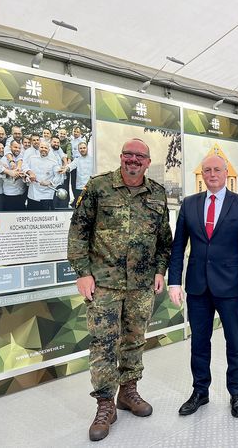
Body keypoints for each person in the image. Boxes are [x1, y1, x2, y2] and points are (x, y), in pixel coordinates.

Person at [67, 138, 172, 442]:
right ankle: (104, 405)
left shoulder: (158, 194)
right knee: (103, 344)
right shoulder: (99, 188)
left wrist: (159, 270)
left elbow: (165, 240)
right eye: (129, 154)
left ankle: (128, 392)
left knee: (135, 340)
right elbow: (78, 233)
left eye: (140, 156)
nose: (133, 159)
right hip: (104, 283)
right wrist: (83, 273)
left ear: (148, 162)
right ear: (122, 157)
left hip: (141, 285)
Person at [168, 154, 238, 419]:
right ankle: (200, 392)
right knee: (199, 343)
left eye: (217, 170)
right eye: (206, 170)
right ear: (203, 174)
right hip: (197, 288)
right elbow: (178, 247)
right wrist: (175, 280)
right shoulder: (189, 204)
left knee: (235, 342)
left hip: (231, 287)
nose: (211, 174)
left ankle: (236, 394)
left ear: (226, 172)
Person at [23, 140, 64, 211]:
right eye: (42, 147)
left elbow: (59, 176)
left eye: (45, 148)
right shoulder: (32, 159)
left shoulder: (53, 162)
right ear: (39, 148)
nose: (43, 149)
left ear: (49, 149)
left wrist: (50, 182)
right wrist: (28, 177)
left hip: (47, 195)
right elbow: (24, 168)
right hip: (33, 194)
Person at [64, 141, 93, 206]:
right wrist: (65, 168)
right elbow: (70, 166)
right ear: (78, 150)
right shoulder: (77, 160)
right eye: (80, 148)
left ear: (87, 148)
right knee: (80, 205)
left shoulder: (93, 159)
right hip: (80, 187)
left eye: (84, 148)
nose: (82, 149)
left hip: (91, 186)